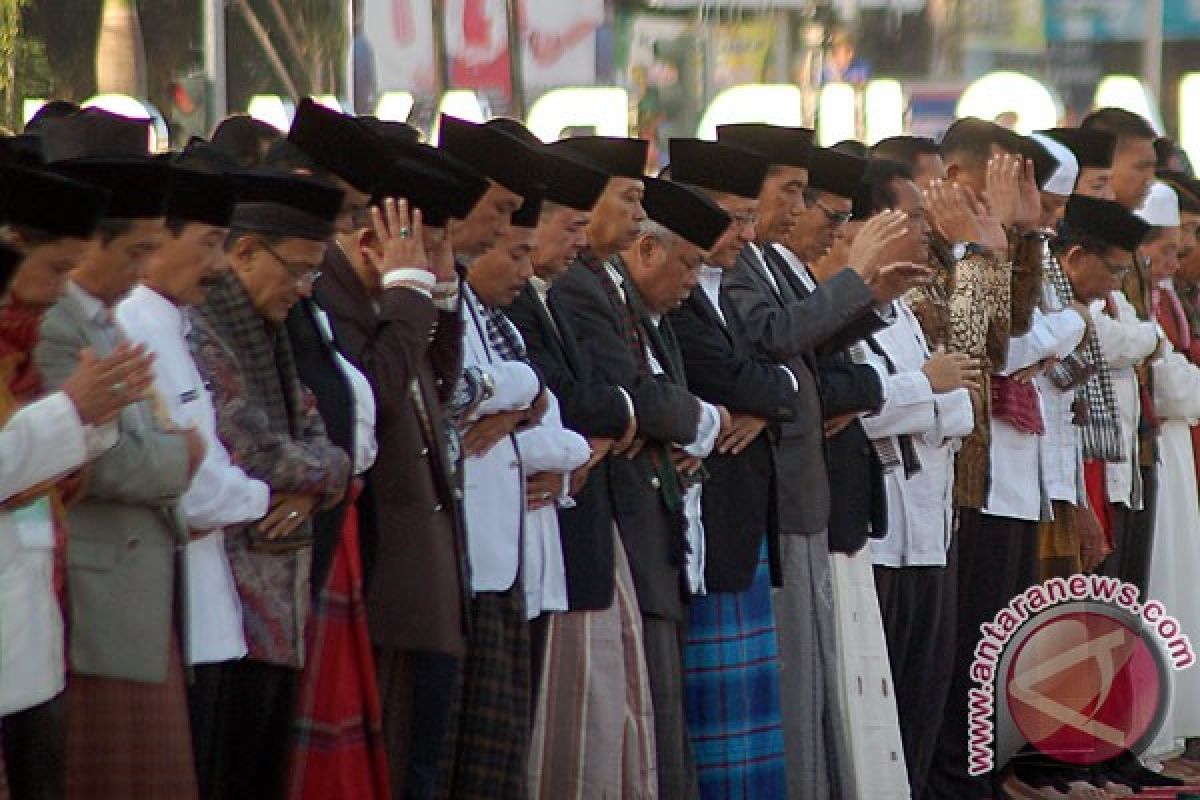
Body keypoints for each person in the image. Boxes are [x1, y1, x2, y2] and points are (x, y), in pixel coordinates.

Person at [552, 168, 734, 799]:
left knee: (663, 722)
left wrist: (682, 422)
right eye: (628, 199)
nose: (636, 215)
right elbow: (635, 398)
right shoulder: (579, 290)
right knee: (637, 722)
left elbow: (662, 399)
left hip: (657, 534)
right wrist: (699, 420)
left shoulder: (621, 293)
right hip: (623, 528)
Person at [33, 149, 209, 799]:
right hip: (100, 592)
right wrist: (182, 457)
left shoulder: (102, 322)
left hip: (136, 583)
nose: (141, 273)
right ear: (88, 246)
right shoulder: (60, 324)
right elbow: (86, 457)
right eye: (134, 253)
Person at [313, 153, 483, 799]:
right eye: (427, 246)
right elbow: (373, 402)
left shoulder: (393, 303)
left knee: (421, 767)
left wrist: (435, 296)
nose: (441, 262)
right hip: (387, 589)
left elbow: (435, 384)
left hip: (428, 588)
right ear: (371, 239)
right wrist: (409, 297)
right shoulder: (338, 299)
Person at [188, 170, 353, 799]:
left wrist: (318, 481)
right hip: (229, 605)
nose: (307, 289)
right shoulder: (204, 331)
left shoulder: (273, 334)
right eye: (300, 270)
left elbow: (326, 442)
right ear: (245, 252)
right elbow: (250, 449)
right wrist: (321, 475)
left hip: (279, 606)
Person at [505, 134, 660, 799]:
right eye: (567, 227)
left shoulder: (560, 287)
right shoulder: (533, 297)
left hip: (584, 531)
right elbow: (565, 401)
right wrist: (620, 420)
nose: (574, 244)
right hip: (544, 537)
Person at [111, 158, 268, 800]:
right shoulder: (134, 329)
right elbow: (192, 482)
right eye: (206, 244)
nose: (218, 264)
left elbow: (206, 462)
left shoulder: (174, 326)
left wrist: (237, 491)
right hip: (176, 618)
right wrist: (263, 497)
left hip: (211, 612)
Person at [0, 165, 155, 800]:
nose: (64, 290)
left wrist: (95, 417)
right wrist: (73, 412)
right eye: (56, 269)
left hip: (31, 625)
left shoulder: (21, 345)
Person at [664, 136, 796, 799]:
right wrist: (770, 396)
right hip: (705, 523)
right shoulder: (679, 294)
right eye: (732, 217)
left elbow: (773, 379)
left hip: (745, 522)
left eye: (750, 216)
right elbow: (731, 376)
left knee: (750, 728)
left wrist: (768, 401)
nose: (746, 233)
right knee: (711, 725)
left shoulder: (725, 284)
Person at [436, 115, 544, 800]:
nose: (501, 227)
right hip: (457, 556)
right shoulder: (436, 280)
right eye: (499, 211)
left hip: (500, 555)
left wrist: (509, 402)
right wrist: (505, 396)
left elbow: (528, 378)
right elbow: (453, 388)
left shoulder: (474, 293)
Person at [1081, 109, 1163, 595]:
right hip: (1086, 458)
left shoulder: (1123, 240)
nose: (1147, 181)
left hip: (1126, 448)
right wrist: (1149, 341)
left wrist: (1145, 340)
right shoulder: (1070, 245)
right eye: (1142, 168)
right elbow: (1100, 337)